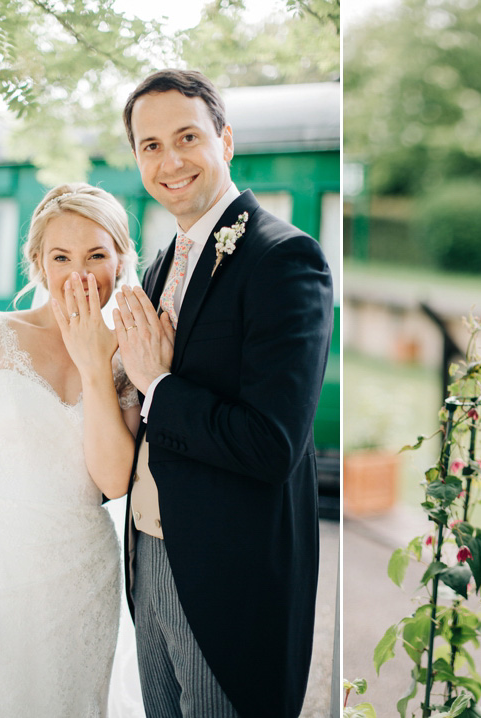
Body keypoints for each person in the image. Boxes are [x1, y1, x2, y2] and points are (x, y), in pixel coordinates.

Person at [114, 70, 334, 718]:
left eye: (187, 136)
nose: (170, 160)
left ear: (226, 140)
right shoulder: (158, 264)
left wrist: (157, 383)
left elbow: (273, 444)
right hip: (149, 553)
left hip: (228, 576)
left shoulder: (284, 259)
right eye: (149, 145)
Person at [0, 183, 142, 716]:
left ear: (121, 260)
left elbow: (112, 482)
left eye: (96, 256)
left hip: (86, 579)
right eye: (60, 256)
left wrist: (93, 361)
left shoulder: (124, 361)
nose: (78, 274)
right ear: (36, 261)